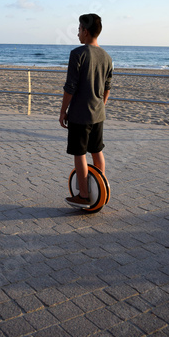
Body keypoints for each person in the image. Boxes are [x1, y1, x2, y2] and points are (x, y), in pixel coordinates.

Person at [59, 14, 113, 208]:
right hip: (98, 113)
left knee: (79, 153)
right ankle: (101, 190)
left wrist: (63, 110)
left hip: (80, 114)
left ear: (86, 31)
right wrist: (102, 104)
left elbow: (70, 87)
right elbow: (107, 86)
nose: (78, 33)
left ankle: (83, 195)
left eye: (79, 29)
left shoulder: (77, 54)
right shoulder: (106, 56)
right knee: (97, 151)